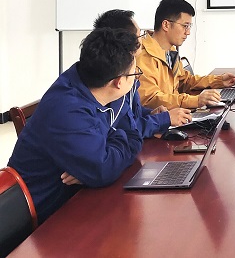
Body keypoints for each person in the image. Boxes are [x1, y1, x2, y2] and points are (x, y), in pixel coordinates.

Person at [8, 28, 144, 224]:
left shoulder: (91, 83)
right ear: (118, 82)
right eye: (135, 73)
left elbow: (132, 134)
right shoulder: (67, 108)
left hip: (73, 200)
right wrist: (96, 164)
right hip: (40, 221)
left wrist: (93, 163)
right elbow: (103, 169)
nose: (136, 78)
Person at [93, 9, 193, 134]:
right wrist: (164, 119)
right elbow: (127, 128)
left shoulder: (126, 68)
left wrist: (150, 114)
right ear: (126, 41)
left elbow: (132, 113)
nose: (143, 40)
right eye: (140, 35)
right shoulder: (115, 78)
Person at [136, 0, 235, 109]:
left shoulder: (170, 50)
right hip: (165, 118)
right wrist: (195, 100)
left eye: (189, 26)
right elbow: (151, 99)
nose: (188, 32)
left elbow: (185, 81)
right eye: (185, 26)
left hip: (176, 113)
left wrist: (219, 81)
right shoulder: (143, 56)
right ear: (166, 25)